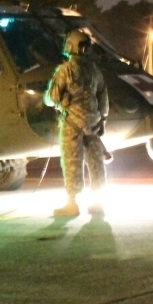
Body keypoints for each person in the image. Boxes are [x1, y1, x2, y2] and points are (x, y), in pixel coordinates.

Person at [44, 28, 109, 218]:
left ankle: (72, 204)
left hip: (71, 123)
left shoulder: (65, 70)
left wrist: (57, 101)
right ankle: (98, 202)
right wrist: (102, 120)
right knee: (96, 163)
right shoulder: (95, 71)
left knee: (72, 161)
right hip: (93, 124)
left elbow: (51, 98)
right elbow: (103, 99)